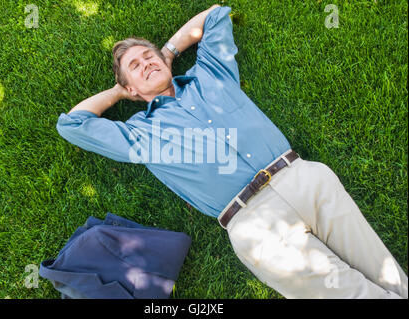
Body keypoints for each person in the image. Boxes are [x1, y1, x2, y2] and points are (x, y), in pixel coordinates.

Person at [56, 5, 408, 298]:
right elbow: (72, 125)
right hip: (255, 224)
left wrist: (167, 52)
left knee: (388, 273)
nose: (147, 62)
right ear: (130, 87)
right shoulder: (139, 134)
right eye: (136, 66)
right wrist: (119, 93)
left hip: (304, 180)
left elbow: (214, 16)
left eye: (148, 55)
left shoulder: (210, 74)